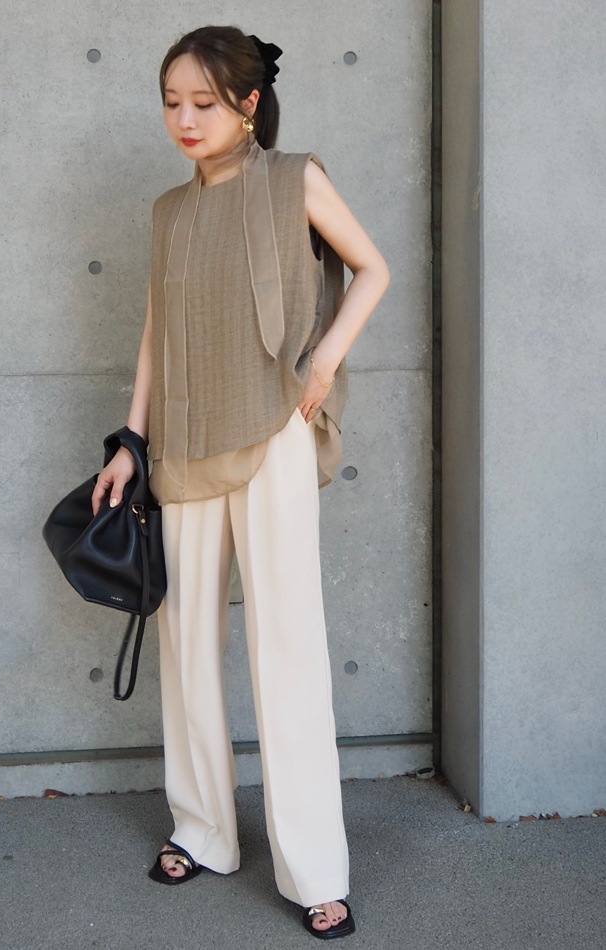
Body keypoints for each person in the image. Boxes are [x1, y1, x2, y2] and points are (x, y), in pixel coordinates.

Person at [92, 25, 389, 940]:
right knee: (185, 648)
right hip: (183, 445)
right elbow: (156, 333)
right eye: (171, 103)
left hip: (271, 434)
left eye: (204, 103)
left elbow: (373, 268)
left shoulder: (294, 178)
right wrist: (131, 441)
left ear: (248, 104)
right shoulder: (168, 212)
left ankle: (316, 870)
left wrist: (324, 361)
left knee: (287, 649)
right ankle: (203, 830)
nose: (185, 120)